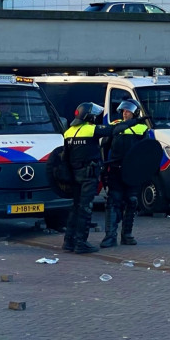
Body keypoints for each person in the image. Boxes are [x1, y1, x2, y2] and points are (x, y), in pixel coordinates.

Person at [62, 103, 140, 254]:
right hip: (88, 175)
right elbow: (112, 130)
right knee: (86, 208)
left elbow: (64, 157)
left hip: (74, 175)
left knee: (75, 208)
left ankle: (68, 241)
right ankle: (81, 243)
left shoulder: (69, 132)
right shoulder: (90, 129)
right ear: (88, 116)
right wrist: (133, 121)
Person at [100, 99, 149, 247]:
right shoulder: (115, 126)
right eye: (123, 111)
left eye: (128, 111)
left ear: (135, 113)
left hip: (132, 171)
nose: (125, 113)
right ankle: (110, 236)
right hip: (115, 168)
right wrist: (104, 167)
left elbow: (146, 151)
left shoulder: (142, 128)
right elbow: (104, 147)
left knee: (132, 201)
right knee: (113, 201)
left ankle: (127, 234)